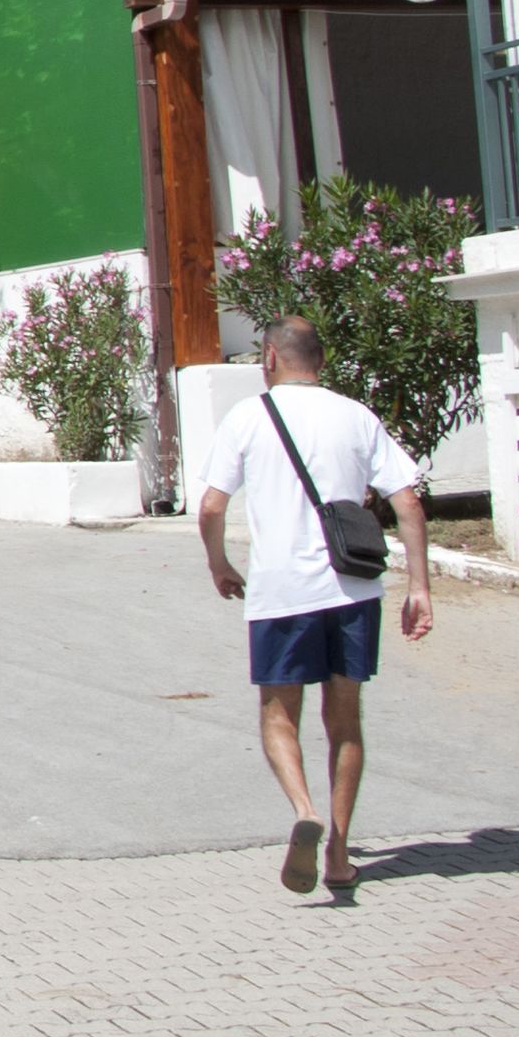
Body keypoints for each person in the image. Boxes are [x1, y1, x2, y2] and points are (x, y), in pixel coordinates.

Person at [196, 314, 433, 896]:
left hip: (282, 593)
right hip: (353, 589)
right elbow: (409, 504)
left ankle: (305, 808)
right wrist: (420, 587)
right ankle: (340, 853)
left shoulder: (248, 416)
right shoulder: (356, 416)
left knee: (279, 714)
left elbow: (211, 506)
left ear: (269, 358)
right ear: (321, 362)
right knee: (345, 720)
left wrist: (219, 563)